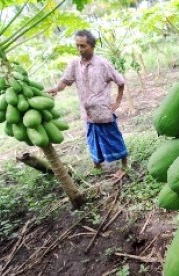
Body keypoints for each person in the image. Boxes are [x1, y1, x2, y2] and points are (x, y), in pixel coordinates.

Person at [46, 29, 128, 179]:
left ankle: (124, 166)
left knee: (113, 138)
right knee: (92, 140)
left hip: (103, 111)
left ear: (92, 46)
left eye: (83, 46)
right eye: (77, 45)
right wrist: (56, 89)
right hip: (87, 112)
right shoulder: (74, 65)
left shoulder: (102, 64)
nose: (80, 49)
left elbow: (120, 82)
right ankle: (97, 165)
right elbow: (66, 81)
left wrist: (117, 101)